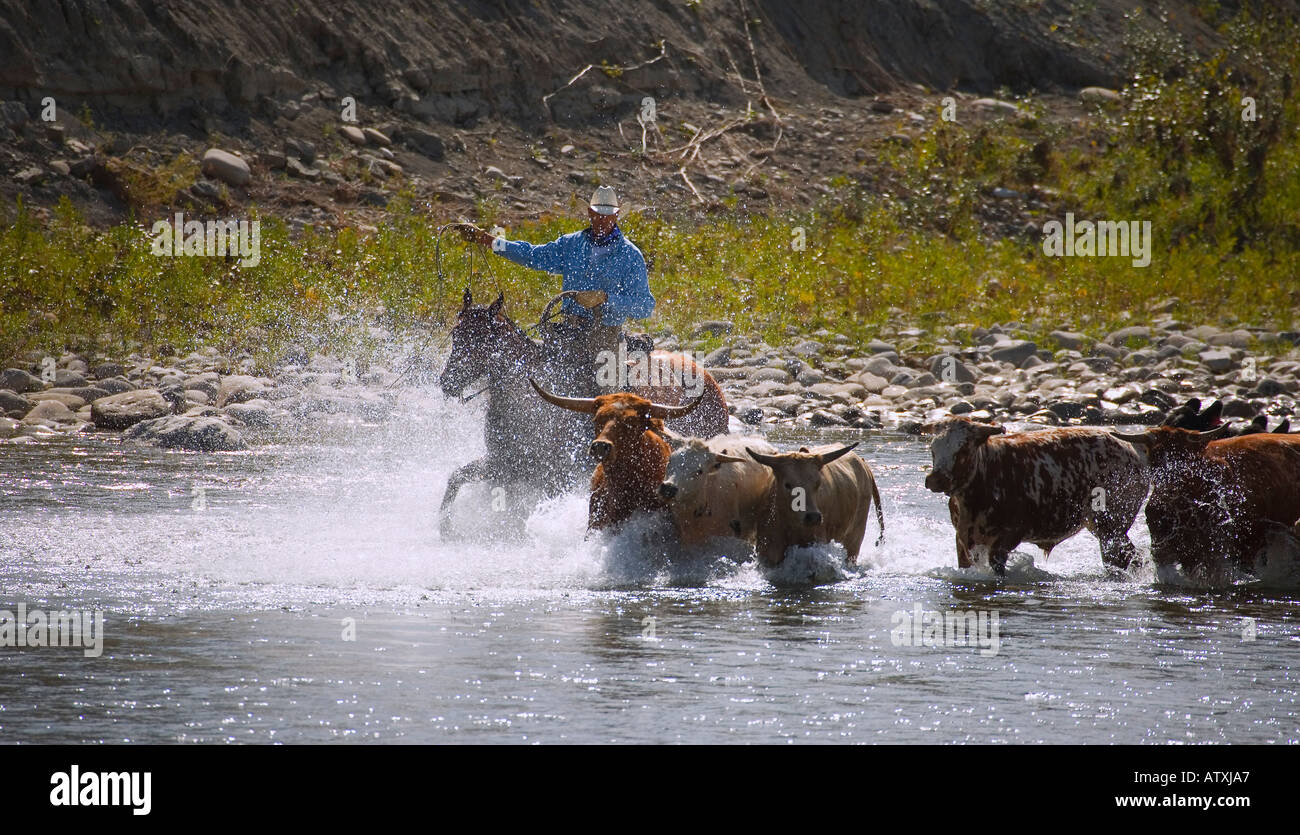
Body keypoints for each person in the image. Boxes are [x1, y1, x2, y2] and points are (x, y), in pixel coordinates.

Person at [457, 186, 655, 393]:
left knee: (607, 395)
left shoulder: (630, 256)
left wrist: (606, 298)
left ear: (616, 216)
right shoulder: (571, 245)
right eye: (597, 216)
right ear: (589, 214)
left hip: (604, 336)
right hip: (568, 332)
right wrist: (487, 239)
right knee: (531, 378)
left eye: (607, 217)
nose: (602, 221)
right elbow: (532, 255)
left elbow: (644, 306)